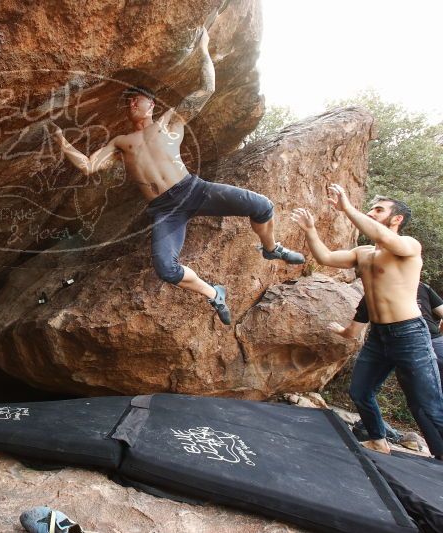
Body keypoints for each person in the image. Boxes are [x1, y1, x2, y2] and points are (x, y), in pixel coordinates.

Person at [48, 27, 304, 325]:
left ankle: (272, 249)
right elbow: (89, 166)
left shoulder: (171, 121)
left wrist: (204, 49)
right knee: (166, 270)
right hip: (164, 210)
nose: (132, 104)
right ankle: (214, 293)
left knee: (262, 206)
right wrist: (62, 142)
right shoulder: (121, 143)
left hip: (193, 190)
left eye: (137, 99)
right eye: (128, 101)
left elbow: (206, 89)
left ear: (151, 104)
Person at [292, 187, 443, 459]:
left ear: (396, 219)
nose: (371, 213)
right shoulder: (363, 253)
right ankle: (377, 439)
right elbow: (325, 257)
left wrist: (348, 208)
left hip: (409, 333)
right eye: (372, 209)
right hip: (378, 335)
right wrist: (310, 230)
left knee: (426, 404)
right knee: (360, 391)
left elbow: (382, 236)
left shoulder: (408, 246)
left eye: (379, 210)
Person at [329, 281, 443, 446]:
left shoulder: (375, 292)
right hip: (434, 344)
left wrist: (339, 329)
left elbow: (352, 332)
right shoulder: (420, 286)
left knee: (424, 404)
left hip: (408, 346)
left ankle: (437, 452)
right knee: (428, 403)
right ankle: (438, 454)